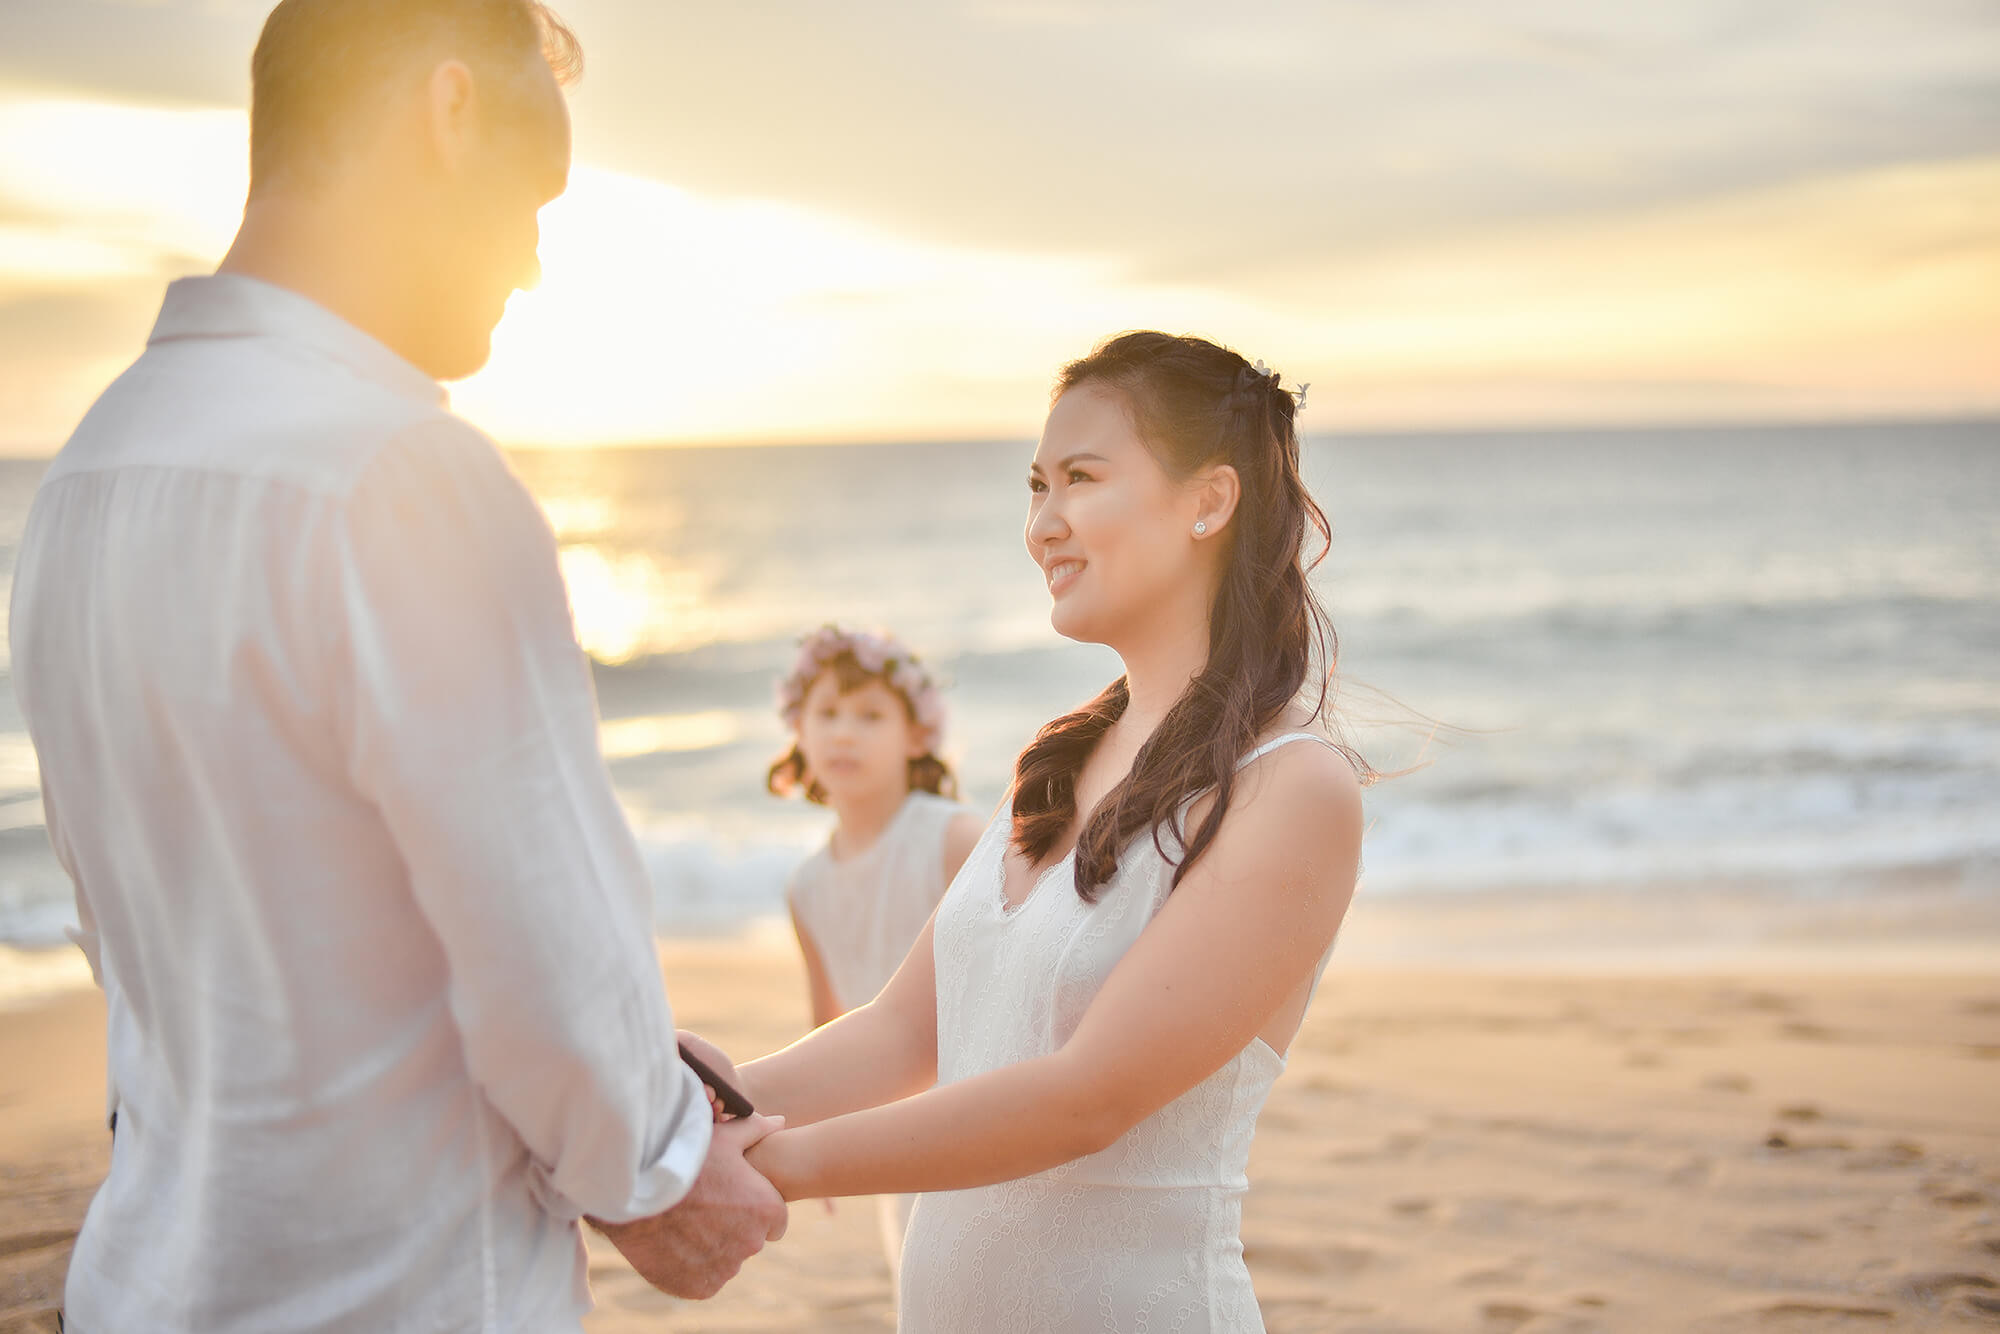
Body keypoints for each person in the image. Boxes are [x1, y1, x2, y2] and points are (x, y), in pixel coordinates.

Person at [7, 3, 784, 1330]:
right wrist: (660, 1164)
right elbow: (543, 939)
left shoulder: (91, 467)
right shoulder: (398, 468)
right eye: (536, 199)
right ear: (450, 111)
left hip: (148, 1284)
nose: (535, 263)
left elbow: (178, 931)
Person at [707, 331, 1367, 1331]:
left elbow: (1085, 1095)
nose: (1042, 524)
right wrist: (701, 1106)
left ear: (1208, 499)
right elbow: (905, 1029)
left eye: (1080, 478)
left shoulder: (1289, 787)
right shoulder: (1056, 764)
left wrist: (766, 1168)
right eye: (1033, 485)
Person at [766, 625, 983, 1290]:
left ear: (918, 735)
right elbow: (827, 1025)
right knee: (924, 1287)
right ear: (797, 729)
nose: (843, 734)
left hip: (981, 1109)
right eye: (826, 714)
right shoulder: (807, 884)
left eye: (869, 716)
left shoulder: (956, 838)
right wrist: (811, 1139)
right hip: (891, 1133)